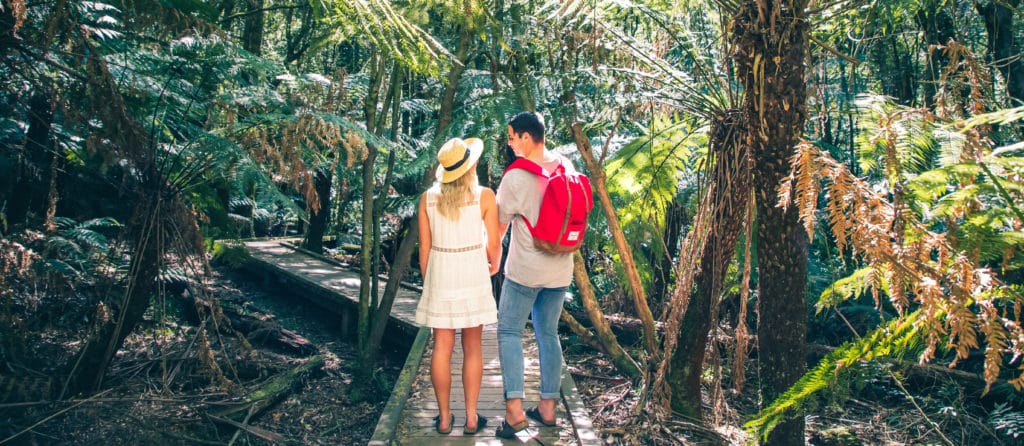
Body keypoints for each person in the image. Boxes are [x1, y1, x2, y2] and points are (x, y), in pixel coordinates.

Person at [494, 111, 575, 438]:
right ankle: (547, 408)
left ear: (527, 137)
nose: (510, 143)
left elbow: (499, 223)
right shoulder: (566, 165)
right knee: (548, 334)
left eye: (512, 137)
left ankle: (514, 411)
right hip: (560, 271)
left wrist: (491, 257)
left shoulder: (515, 177)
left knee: (509, 331)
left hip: (525, 271)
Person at [414, 136, 502, 435]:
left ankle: (443, 417)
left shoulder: (427, 198)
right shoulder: (485, 195)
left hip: (442, 273)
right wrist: (494, 263)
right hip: (472, 273)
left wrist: (430, 282)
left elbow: (424, 248)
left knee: (441, 347)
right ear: (471, 165)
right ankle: (472, 417)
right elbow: (493, 243)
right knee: (473, 347)